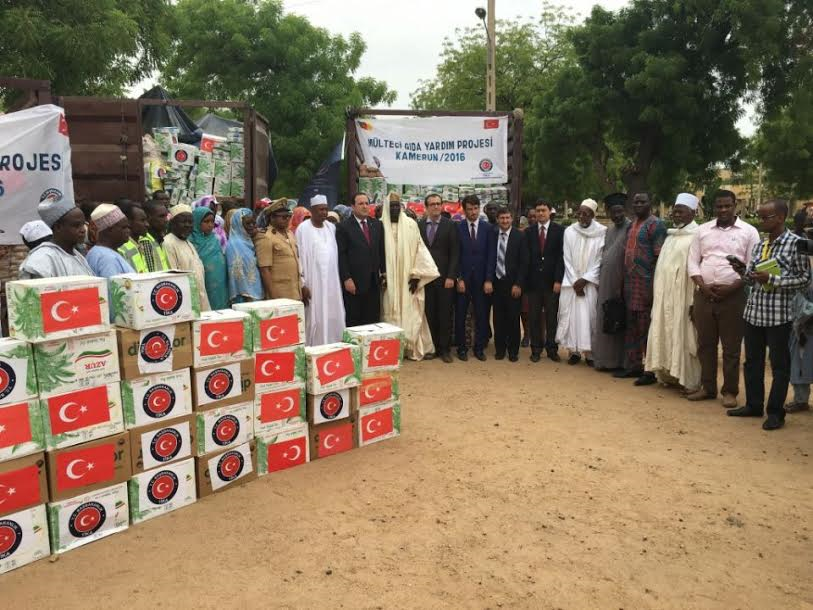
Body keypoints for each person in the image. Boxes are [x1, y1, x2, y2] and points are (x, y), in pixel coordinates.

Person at [728, 200, 811, 430]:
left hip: (779, 316)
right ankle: (754, 405)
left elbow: (805, 279)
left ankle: (775, 412)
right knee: (752, 362)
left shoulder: (797, 244)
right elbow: (753, 277)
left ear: (781, 217)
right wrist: (743, 271)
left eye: (766, 217)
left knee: (779, 366)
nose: (762, 221)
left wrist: (772, 279)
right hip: (754, 313)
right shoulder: (761, 245)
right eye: (760, 217)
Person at [686, 189, 760, 406]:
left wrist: (733, 287)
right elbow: (693, 262)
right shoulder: (702, 231)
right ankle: (708, 387)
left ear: (735, 205)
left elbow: (753, 267)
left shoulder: (749, 232)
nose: (724, 209)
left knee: (731, 347)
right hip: (704, 294)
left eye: (728, 205)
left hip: (734, 297)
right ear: (713, 207)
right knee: (705, 344)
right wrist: (703, 286)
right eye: (719, 206)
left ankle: (730, 391)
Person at [644, 194, 701, 391]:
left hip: (684, 296)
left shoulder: (697, 237)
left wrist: (695, 300)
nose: (676, 215)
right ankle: (668, 374)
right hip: (664, 296)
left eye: (680, 211)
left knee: (684, 335)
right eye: (674, 211)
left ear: (693, 213)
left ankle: (689, 380)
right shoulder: (671, 236)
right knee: (664, 330)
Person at [615, 192, 667, 383]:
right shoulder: (631, 225)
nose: (638, 205)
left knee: (646, 326)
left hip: (645, 284)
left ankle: (649, 370)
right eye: (635, 202)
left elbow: (658, 260)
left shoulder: (657, 225)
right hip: (630, 283)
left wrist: (652, 289)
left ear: (650, 203)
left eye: (642, 202)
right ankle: (634, 365)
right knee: (631, 326)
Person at [381, 193, 439, 360]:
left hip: (408, 277)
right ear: (386, 207)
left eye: (396, 206)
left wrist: (416, 275)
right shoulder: (379, 226)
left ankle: (412, 347)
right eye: (391, 206)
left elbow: (419, 249)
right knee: (388, 309)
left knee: (412, 310)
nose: (394, 209)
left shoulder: (411, 225)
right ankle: (391, 351)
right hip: (389, 279)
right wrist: (382, 274)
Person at [556, 199, 606, 366]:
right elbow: (566, 258)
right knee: (571, 318)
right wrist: (575, 282)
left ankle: (589, 353)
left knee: (590, 317)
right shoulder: (570, 231)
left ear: (593, 215)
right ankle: (574, 352)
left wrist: (585, 280)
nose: (582, 216)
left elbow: (600, 260)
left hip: (589, 284)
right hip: (571, 283)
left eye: (586, 213)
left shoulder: (602, 232)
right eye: (580, 212)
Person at [296, 195, 345, 344]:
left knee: (333, 312)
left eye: (326, 209)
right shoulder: (303, 229)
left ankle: (333, 343)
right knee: (314, 316)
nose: (324, 212)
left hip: (332, 282)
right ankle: (314, 347)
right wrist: (302, 283)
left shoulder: (331, 227)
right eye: (321, 209)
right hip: (313, 282)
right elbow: (299, 258)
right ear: (312, 210)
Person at [591, 194, 631, 371]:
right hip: (606, 281)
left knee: (621, 320)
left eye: (620, 212)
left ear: (625, 211)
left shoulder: (631, 228)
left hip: (623, 282)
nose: (617, 216)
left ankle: (621, 362)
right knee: (606, 318)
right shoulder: (610, 229)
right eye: (613, 212)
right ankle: (605, 360)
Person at [455, 195, 496, 361]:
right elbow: (455, 255)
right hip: (463, 280)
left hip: (481, 281)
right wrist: (459, 278)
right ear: (464, 211)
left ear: (479, 208)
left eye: (475, 208)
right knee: (461, 315)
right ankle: (461, 348)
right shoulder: (457, 228)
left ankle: (479, 348)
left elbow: (491, 255)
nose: (473, 212)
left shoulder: (488, 229)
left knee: (482, 315)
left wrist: (488, 279)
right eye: (470, 209)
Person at [419, 193, 459, 362]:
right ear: (426, 207)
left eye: (438, 203)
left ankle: (445, 349)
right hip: (426, 278)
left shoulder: (450, 226)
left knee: (445, 314)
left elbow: (455, 253)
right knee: (429, 313)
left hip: (445, 279)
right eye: (432, 204)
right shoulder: (419, 226)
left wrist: (451, 276)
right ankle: (432, 347)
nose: (436, 207)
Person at [336, 193, 386, 327]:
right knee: (354, 320)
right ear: (352, 206)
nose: (365, 206)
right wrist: (346, 278)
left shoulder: (377, 225)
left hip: (374, 282)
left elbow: (381, 251)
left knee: (372, 320)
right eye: (361, 204)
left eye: (366, 203)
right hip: (354, 283)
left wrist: (384, 273)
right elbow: (341, 255)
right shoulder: (344, 227)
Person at [525, 200, 565, 362]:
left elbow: (561, 258)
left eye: (543, 210)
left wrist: (558, 280)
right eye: (538, 211)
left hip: (551, 283)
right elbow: (525, 259)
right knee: (534, 317)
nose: (540, 213)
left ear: (550, 212)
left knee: (551, 318)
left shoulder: (559, 231)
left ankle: (552, 349)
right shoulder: (529, 232)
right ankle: (536, 349)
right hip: (533, 284)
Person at [20, 197, 94, 279]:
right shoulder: (41, 260)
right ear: (58, 227)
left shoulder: (78, 256)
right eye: (76, 225)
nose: (83, 230)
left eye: (83, 224)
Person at [490, 206, 528, 362]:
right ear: (498, 219)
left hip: (513, 284)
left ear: (512, 219)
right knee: (498, 318)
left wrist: (518, 284)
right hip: (496, 283)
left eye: (507, 218)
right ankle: (500, 349)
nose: (505, 221)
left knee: (513, 318)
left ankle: (513, 351)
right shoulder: (492, 234)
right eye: (502, 218)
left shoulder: (520, 236)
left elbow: (524, 263)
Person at [163, 204, 211, 311]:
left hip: (200, 296)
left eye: (190, 222)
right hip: (185, 301)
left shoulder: (188, 242)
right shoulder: (168, 243)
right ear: (173, 223)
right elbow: (173, 277)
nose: (187, 225)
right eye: (183, 222)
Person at [255, 200, 303, 300]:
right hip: (279, 294)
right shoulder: (266, 237)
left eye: (289, 216)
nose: (287, 219)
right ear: (272, 217)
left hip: (295, 291)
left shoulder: (290, 234)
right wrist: (274, 297)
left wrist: (302, 287)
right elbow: (265, 270)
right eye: (283, 217)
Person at [189, 206, 229, 310]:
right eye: (206, 221)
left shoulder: (214, 238)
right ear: (197, 221)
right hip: (204, 281)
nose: (210, 225)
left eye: (212, 221)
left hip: (220, 282)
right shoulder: (190, 241)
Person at [225, 207, 263, 303]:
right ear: (238, 224)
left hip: (255, 291)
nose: (251, 226)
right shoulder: (234, 244)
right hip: (244, 297)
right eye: (247, 223)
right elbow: (237, 274)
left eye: (253, 223)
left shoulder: (248, 241)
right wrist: (247, 296)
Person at [86, 204, 135, 277]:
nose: (128, 231)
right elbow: (113, 287)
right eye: (124, 227)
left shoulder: (97, 252)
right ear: (110, 230)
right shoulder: (107, 258)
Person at [118, 203, 149, 273]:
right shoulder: (122, 248)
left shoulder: (140, 244)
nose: (147, 224)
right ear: (129, 222)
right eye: (142, 220)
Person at [140, 199, 171, 272]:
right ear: (147, 218)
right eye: (161, 216)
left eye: (166, 216)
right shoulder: (145, 241)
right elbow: (150, 273)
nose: (166, 220)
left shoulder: (158, 238)